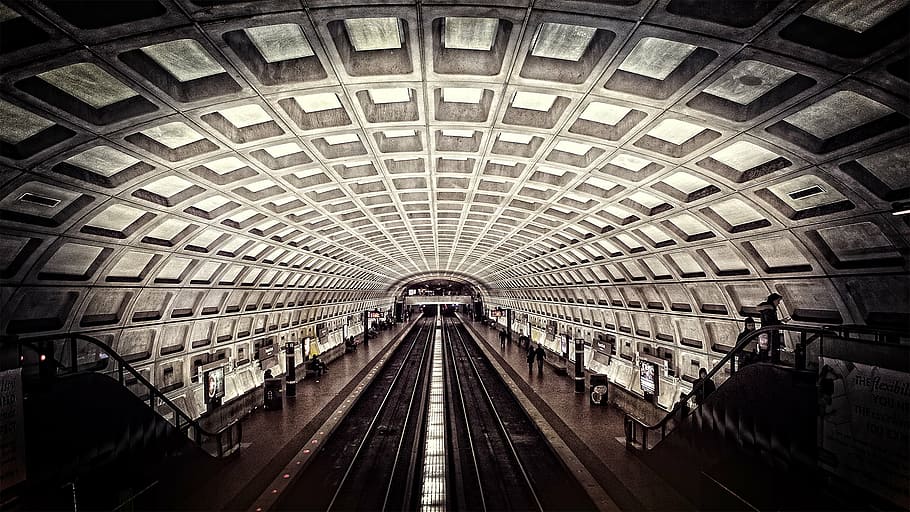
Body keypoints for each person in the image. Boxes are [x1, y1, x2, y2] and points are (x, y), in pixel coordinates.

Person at [757, 293, 790, 363]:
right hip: (768, 332)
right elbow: (770, 322)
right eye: (778, 301)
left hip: (766, 332)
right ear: (774, 300)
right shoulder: (768, 309)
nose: (778, 303)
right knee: (769, 349)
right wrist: (780, 323)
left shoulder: (769, 308)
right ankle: (769, 363)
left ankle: (767, 362)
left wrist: (781, 321)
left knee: (766, 349)